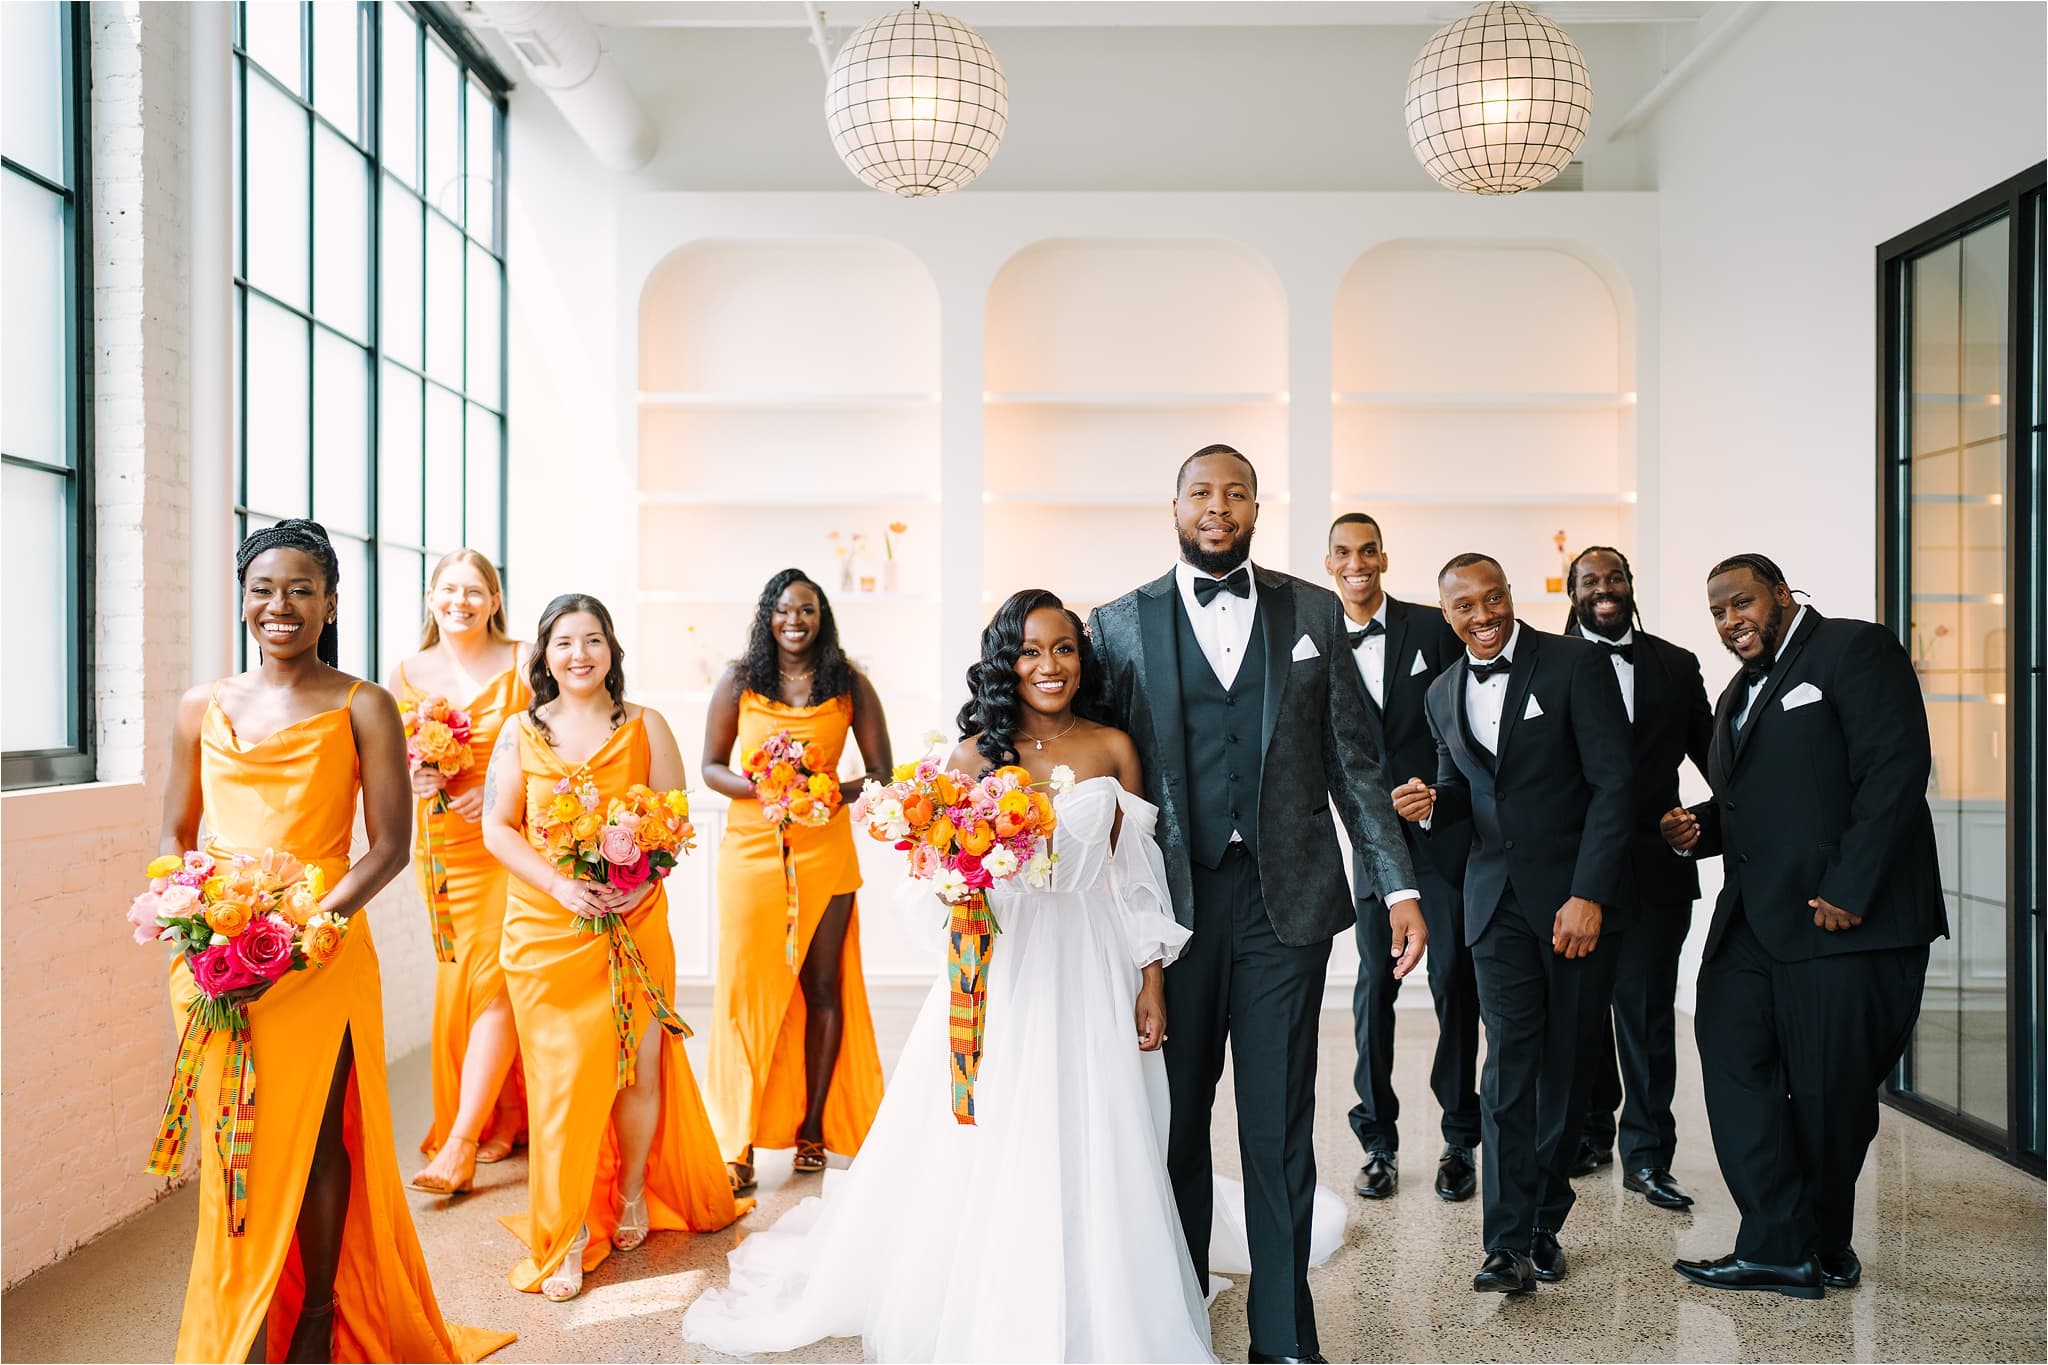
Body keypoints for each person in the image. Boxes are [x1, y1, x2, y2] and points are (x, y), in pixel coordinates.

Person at [682, 591, 1216, 1362]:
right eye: (1030, 650)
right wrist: (961, 878)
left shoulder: (1113, 747)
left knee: (1096, 1117)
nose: (1049, 665)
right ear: (1005, 660)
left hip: (1093, 961)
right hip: (1001, 964)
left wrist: (1151, 976)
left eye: (1064, 648)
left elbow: (1135, 877)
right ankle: (1002, 1287)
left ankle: (1102, 1286)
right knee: (997, 1124)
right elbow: (928, 884)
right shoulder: (972, 756)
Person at [1088, 447, 1424, 1364]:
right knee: (1178, 1120)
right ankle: (1178, 1317)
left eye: (1235, 492)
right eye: (1202, 492)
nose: (1218, 506)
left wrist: (1397, 882)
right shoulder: (1116, 625)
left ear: (1256, 508)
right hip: (1171, 909)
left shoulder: (1314, 612)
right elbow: (1083, 752)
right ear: (1174, 506)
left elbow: (1356, 763)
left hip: (1290, 906)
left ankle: (1283, 1335)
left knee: (1276, 1124)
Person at [154, 518, 512, 1363]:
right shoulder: (200, 705)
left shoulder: (365, 704)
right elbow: (176, 831)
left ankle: (318, 1314)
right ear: (243, 600)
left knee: (319, 1137)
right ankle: (239, 1319)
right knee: (232, 1142)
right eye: (263, 589)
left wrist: (299, 929)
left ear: (330, 604)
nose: (280, 606)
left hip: (320, 947)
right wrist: (201, 921)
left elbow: (390, 844)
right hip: (214, 955)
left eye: (300, 590)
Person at [1663, 554, 1944, 1298]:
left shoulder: (1854, 649)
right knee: (1729, 1053)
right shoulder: (1735, 693)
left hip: (1842, 920)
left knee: (1828, 1094)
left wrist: (1851, 886)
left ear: (1780, 593)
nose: (1731, 619)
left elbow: (1894, 767)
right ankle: (1780, 1240)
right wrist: (1701, 825)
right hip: (1755, 919)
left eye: (1742, 601)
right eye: (1718, 611)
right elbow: (1765, 798)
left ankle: (1819, 1243)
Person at [481, 593, 746, 1302]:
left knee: (638, 1069)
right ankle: (565, 1232)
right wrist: (559, 886)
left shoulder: (647, 726)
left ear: (611, 649)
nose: (578, 654)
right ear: (542, 654)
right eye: (563, 642)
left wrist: (640, 879)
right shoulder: (517, 732)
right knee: (561, 1086)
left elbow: (672, 821)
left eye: (592, 640)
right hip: (544, 933)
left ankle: (630, 1193)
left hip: (634, 921)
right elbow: (498, 829)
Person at [1391, 553, 1631, 1295]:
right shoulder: (1440, 692)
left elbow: (1613, 784)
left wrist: (1589, 892)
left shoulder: (1572, 666)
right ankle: (1504, 1244)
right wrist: (1433, 801)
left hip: (1572, 906)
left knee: (1564, 1067)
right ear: (1447, 614)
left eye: (1493, 598)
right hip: (1491, 905)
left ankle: (1543, 1221)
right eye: (1465, 606)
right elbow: (1465, 789)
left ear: (1510, 596)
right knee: (1507, 1068)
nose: (1484, 614)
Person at [700, 569, 890, 1192]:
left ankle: (812, 1129)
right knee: (742, 997)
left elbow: (883, 774)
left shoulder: (850, 683)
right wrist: (766, 790)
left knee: (822, 987)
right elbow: (711, 767)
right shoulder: (739, 680)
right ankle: (737, 1143)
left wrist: (826, 792)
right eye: (784, 610)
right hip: (752, 854)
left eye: (806, 610)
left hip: (825, 852)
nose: (795, 621)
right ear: (768, 615)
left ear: (822, 616)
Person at [1326, 512, 1481, 1204]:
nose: (1356, 563)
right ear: (1329, 563)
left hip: (1442, 841)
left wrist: (1441, 795)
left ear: (1383, 558)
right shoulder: (1315, 636)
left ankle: (1458, 1136)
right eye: (1343, 553)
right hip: (1372, 846)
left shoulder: (1431, 628)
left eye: (1367, 551)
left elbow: (1467, 725)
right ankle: (1377, 1140)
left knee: (1455, 982)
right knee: (1374, 991)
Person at [1561, 546, 1713, 1210]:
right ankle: (1590, 1131)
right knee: (1579, 1017)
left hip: (1654, 871)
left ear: (1629, 586)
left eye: (1614, 577)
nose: (1605, 588)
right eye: (1590, 579)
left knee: (1648, 1017)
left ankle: (1648, 1156)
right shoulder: (1546, 662)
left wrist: (1701, 825)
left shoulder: (1676, 666)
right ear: (1573, 591)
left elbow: (1720, 763)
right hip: (1572, 873)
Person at [397, 549, 530, 1196]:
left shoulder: (524, 661)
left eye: (475, 590)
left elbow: (558, 738)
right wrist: (414, 773)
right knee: (468, 988)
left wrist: (504, 788)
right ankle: (503, 1115)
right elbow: (385, 757)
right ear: (430, 597)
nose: (461, 601)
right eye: (449, 589)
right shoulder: (405, 673)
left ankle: (461, 1142)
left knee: (500, 978)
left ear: (495, 599)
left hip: (508, 845)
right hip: (444, 847)